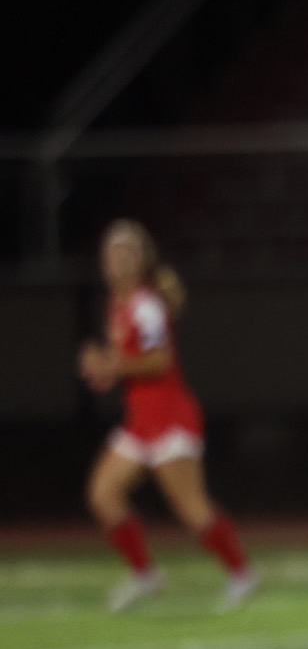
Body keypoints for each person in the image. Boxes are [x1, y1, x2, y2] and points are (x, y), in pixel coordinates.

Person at [80, 219, 258, 611]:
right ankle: (145, 575)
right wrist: (106, 370)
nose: (115, 261)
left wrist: (112, 366)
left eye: (124, 253)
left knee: (191, 508)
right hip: (141, 420)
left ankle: (241, 573)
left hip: (170, 417)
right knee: (103, 493)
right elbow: (132, 365)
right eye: (110, 253)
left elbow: (158, 361)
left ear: (141, 261)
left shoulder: (145, 305)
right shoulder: (118, 305)